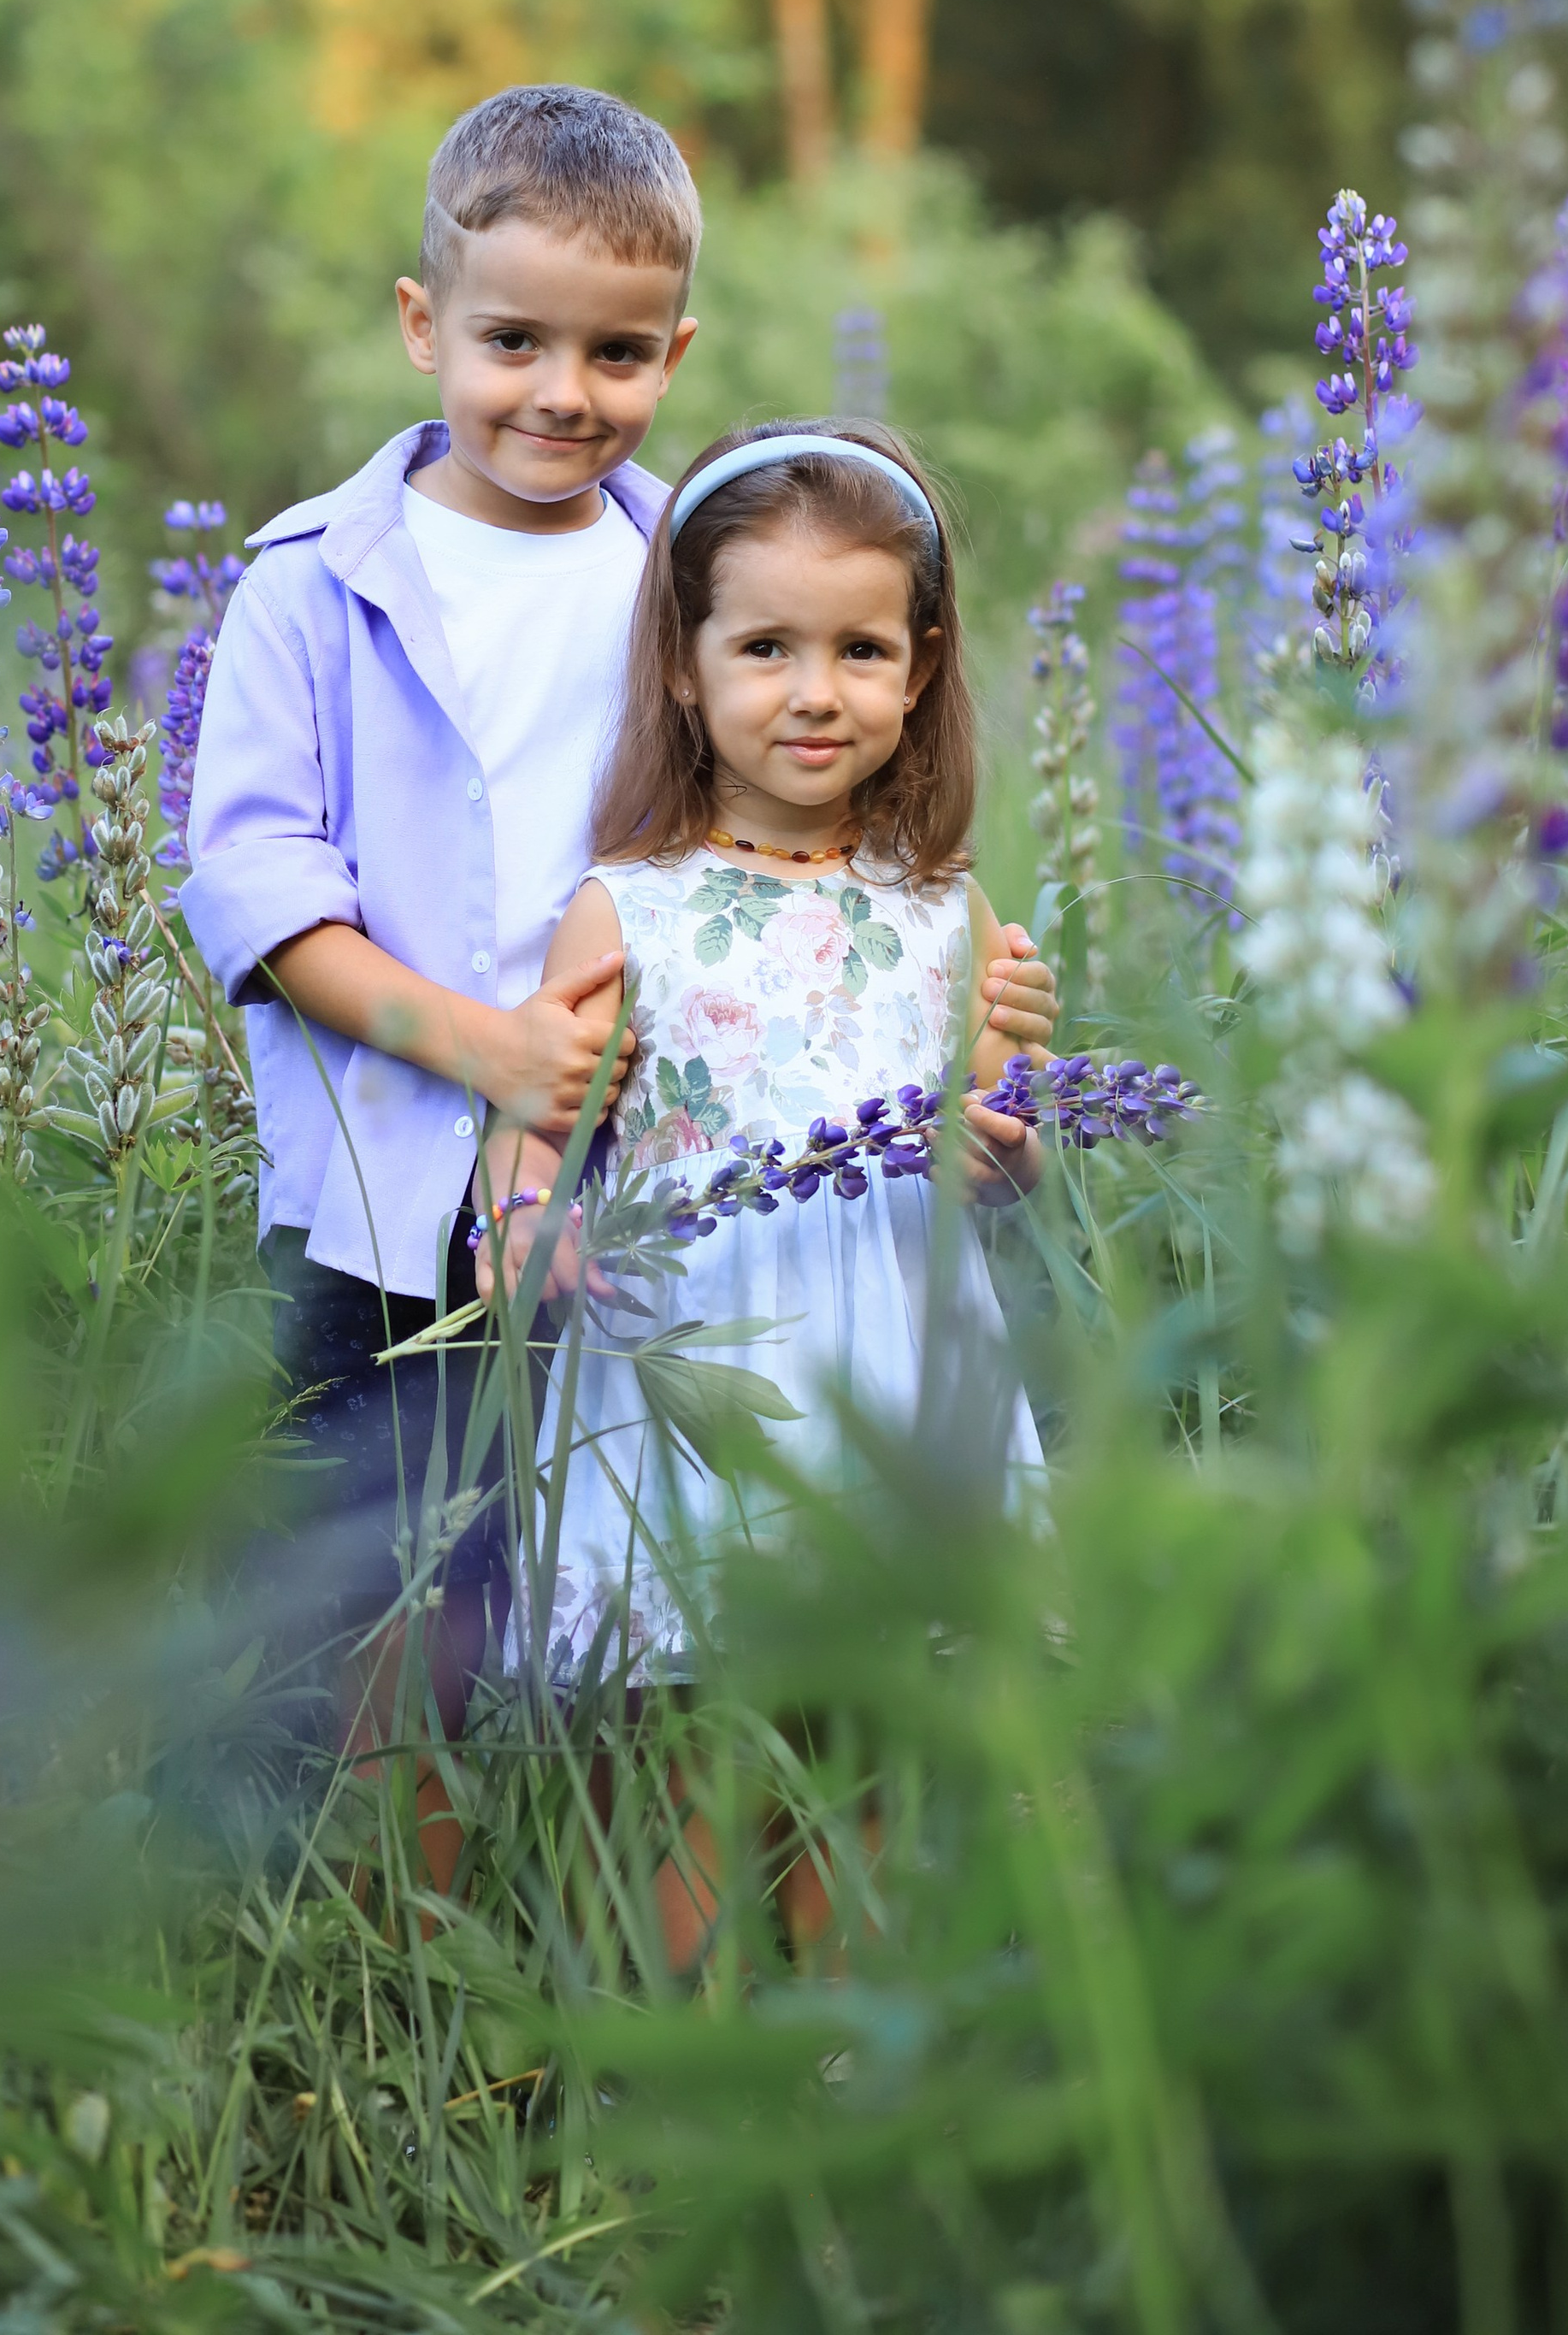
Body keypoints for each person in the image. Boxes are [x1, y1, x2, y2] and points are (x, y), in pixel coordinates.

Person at [184, 93, 1056, 1842]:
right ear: (423, 324)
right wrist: (488, 1051)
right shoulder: (316, 575)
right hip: (408, 1176)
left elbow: (803, 816)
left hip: (678, 1196)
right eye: (511, 341)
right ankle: (399, 1960)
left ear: (675, 352)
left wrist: (951, 982)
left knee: (618, 1585)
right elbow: (255, 879)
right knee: (398, 1590)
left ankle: (605, 1949)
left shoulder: (699, 566)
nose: (559, 393)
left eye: (614, 353)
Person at [480, 421, 1047, 1949]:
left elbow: (994, 1151)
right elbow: (537, 1126)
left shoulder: (945, 908)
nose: (816, 692)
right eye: (768, 646)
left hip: (898, 1366)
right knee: (691, 1734)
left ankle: (835, 2048)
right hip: (701, 1365)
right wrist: (528, 1227)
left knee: (858, 1713)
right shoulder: (627, 908)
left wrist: (1007, 1138)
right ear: (686, 660)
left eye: (862, 648)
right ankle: (677, 2057)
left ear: (921, 669)